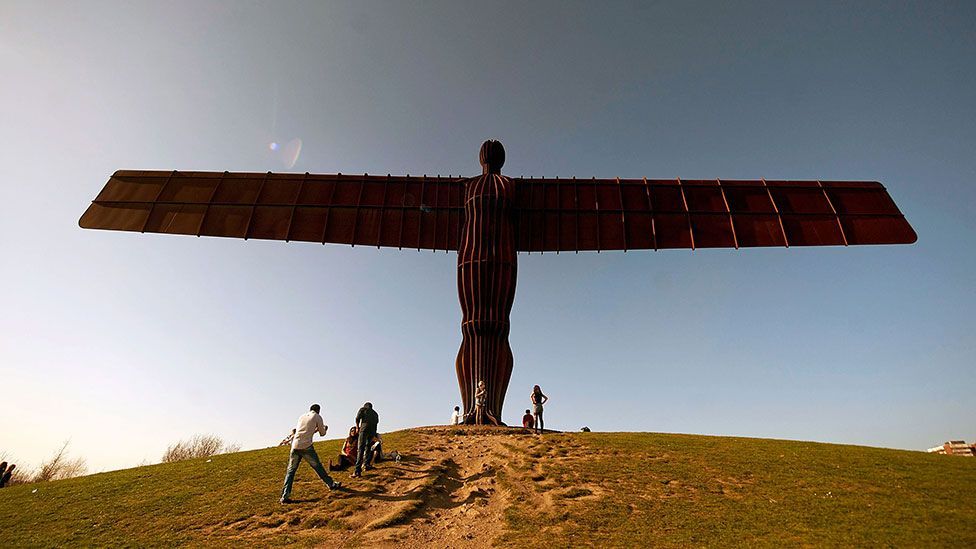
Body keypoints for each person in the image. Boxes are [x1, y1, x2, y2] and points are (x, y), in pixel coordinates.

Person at [279, 403, 341, 504]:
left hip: (295, 445)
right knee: (317, 466)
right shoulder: (317, 417)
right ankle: (331, 484)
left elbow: (305, 431)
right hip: (306, 446)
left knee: (290, 471)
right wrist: (325, 428)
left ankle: (285, 496)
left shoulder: (302, 416)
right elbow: (322, 433)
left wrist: (315, 429)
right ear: (319, 410)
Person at [353, 402, 379, 477]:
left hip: (364, 429)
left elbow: (357, 418)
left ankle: (357, 470)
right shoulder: (375, 414)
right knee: (368, 447)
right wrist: (374, 434)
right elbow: (376, 424)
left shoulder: (363, 409)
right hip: (372, 431)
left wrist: (357, 427)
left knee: (361, 449)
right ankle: (366, 465)